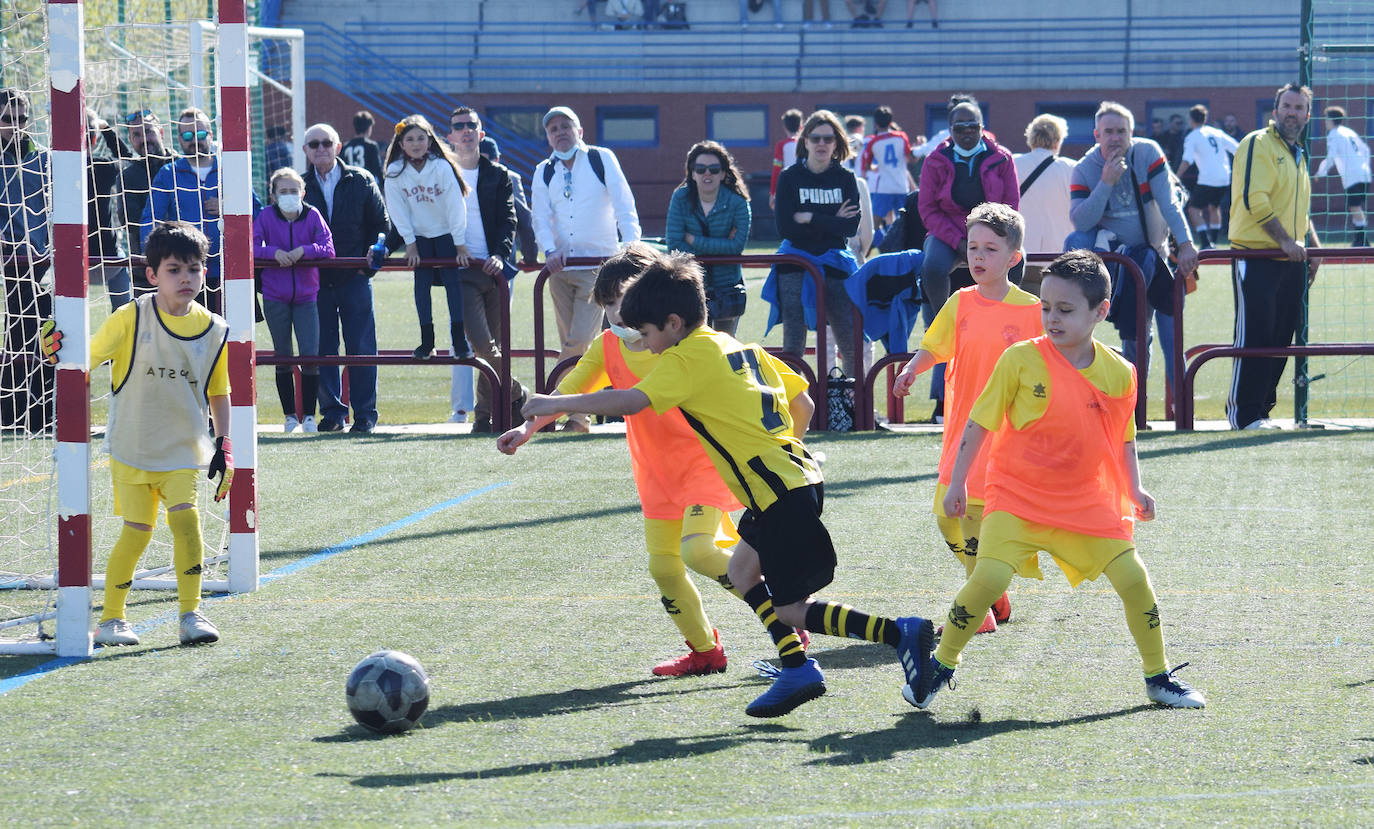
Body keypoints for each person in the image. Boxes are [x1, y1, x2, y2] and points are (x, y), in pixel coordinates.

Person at [519, 253, 938, 717]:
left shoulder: (684, 359)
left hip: (779, 493)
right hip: (783, 483)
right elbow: (801, 395)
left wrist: (547, 403)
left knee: (791, 608)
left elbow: (631, 400)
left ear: (674, 324)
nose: (647, 345)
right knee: (741, 574)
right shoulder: (730, 344)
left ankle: (901, 632)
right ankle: (798, 669)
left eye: (649, 334)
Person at [909, 249, 1206, 712]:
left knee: (1134, 579)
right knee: (987, 577)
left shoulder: (1120, 373)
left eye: (1065, 310)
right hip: (1017, 498)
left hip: (1086, 504)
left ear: (1100, 312)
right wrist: (957, 482)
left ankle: (1158, 677)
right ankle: (940, 667)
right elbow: (979, 424)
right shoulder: (1020, 360)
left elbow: (1123, 438)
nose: (1051, 318)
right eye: (1046, 308)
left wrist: (1135, 488)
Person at [499, 244, 746, 676]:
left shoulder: (683, 342)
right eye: (608, 303)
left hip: (707, 461)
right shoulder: (608, 345)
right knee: (664, 568)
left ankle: (782, 608)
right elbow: (571, 390)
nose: (615, 312)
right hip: (656, 473)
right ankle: (706, 652)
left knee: (700, 551)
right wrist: (527, 429)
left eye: (621, 299)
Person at [41, 221, 233, 648]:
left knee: (187, 520)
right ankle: (111, 619)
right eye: (173, 269)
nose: (185, 278)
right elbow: (82, 357)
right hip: (131, 447)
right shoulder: (131, 317)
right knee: (137, 531)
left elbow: (219, 391)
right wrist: (55, 348)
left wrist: (225, 443)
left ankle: (190, 613)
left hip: (183, 449)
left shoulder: (215, 330)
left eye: (194, 269)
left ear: (205, 272)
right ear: (152, 275)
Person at [892, 202, 1042, 633]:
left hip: (1005, 435)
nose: (978, 257)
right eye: (973, 247)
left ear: (1013, 259)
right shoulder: (961, 302)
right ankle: (992, 593)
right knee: (947, 515)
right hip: (962, 429)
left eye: (990, 249)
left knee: (978, 515)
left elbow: (1047, 369)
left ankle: (977, 611)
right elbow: (934, 345)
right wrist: (910, 369)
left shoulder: (1032, 310)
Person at [1068, 101, 1199, 390]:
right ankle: (1134, 406)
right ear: (1096, 135)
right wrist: (1105, 183)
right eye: (1109, 132)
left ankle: (1181, 404)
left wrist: (1187, 244)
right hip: (1120, 266)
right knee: (1136, 332)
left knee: (1170, 331)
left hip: (1156, 255)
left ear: (1131, 133)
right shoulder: (1085, 169)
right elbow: (1081, 223)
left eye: (1121, 131)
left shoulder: (1146, 152)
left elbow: (1169, 203)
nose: (1116, 138)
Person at [531, 105, 641, 433]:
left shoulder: (600, 158)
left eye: (567, 125)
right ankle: (578, 418)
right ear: (548, 137)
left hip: (600, 267)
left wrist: (632, 246)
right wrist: (548, 250)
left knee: (579, 341)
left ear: (580, 131)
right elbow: (540, 215)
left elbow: (624, 202)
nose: (560, 132)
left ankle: (554, 408)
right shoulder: (543, 170)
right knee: (571, 343)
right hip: (561, 269)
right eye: (553, 128)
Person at [1226, 83, 1323, 431]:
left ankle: (1262, 411)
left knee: (1281, 336)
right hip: (1257, 255)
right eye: (1287, 106)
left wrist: (1313, 246)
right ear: (1275, 109)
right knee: (1255, 335)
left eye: (1299, 108)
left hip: (1291, 261)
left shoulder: (1299, 153)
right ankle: (1244, 414)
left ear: (1308, 115)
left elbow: (1299, 210)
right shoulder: (1258, 143)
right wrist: (1284, 242)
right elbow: (1256, 200)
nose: (1292, 113)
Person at [764, 109, 864, 382]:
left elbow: (850, 227)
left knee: (849, 337)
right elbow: (786, 228)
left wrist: (810, 217)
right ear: (805, 141)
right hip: (795, 260)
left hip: (835, 260)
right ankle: (792, 405)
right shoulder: (789, 177)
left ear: (837, 144)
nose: (822, 144)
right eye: (816, 138)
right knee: (794, 339)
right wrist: (831, 221)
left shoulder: (845, 178)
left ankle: (855, 406)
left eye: (828, 139)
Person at [302, 122, 388, 434]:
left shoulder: (362, 180)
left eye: (327, 142)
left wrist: (374, 253)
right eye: (314, 144)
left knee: (362, 347)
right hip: (316, 280)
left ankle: (365, 415)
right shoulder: (297, 186)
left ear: (339, 147)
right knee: (323, 348)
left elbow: (383, 226)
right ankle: (333, 413)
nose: (321, 148)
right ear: (306, 151)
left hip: (354, 276)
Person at [447, 107, 528, 433]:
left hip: (495, 271)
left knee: (494, 345)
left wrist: (499, 254)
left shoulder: (498, 174)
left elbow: (509, 221)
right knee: (482, 346)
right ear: (450, 136)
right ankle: (521, 396)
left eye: (472, 126)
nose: (465, 130)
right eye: (459, 126)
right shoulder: (442, 174)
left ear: (480, 134)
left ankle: (484, 417)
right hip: (461, 271)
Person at [143, 107, 262, 315]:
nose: (194, 140)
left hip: (230, 271)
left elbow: (258, 214)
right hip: (186, 273)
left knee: (232, 340)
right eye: (187, 135)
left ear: (211, 135)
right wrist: (156, 257)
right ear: (179, 139)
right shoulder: (168, 173)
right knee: (186, 339)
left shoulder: (232, 170)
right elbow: (150, 219)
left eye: (200, 134)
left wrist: (229, 208)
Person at [918, 95, 1022, 314]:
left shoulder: (1002, 157)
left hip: (993, 230)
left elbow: (1010, 206)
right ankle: (942, 322)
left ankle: (1003, 316)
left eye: (973, 126)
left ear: (982, 127)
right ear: (950, 129)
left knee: (1017, 260)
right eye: (960, 127)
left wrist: (988, 236)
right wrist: (958, 242)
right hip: (948, 232)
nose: (967, 131)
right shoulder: (934, 160)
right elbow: (928, 210)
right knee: (933, 267)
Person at [383, 114, 473, 365]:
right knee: (421, 286)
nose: (415, 143)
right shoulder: (394, 172)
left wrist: (459, 242)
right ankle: (427, 341)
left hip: (444, 234)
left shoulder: (441, 167)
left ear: (430, 140)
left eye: (421, 138)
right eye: (409, 139)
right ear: (401, 144)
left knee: (453, 284)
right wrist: (410, 243)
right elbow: (397, 211)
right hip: (419, 237)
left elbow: (455, 206)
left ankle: (458, 339)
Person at [253, 167, 335, 433]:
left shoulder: (313, 215)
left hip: (306, 296)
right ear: (273, 195)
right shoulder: (265, 216)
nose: (289, 195)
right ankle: (290, 416)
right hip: (275, 296)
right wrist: (272, 252)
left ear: (302, 192)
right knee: (283, 356)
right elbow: (251, 247)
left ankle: (309, 416)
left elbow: (328, 248)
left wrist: (304, 251)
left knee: (310, 354)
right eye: (283, 191)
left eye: (293, 190)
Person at [0, 87, 52, 432]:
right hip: (10, 263)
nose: (16, 127)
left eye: (22, 119)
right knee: (17, 333)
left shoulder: (46, 158)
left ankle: (46, 412)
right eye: (8, 120)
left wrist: (48, 248)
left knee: (51, 334)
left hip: (47, 262)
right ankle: (12, 414)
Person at [665, 140, 752, 336]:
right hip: (688, 285)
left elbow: (736, 247)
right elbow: (675, 246)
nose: (707, 174)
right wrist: (721, 246)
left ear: (723, 173)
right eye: (700, 168)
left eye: (714, 169)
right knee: (691, 345)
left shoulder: (738, 203)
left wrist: (694, 240)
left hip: (727, 286)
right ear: (692, 172)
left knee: (725, 347)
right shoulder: (680, 198)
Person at [1013, 113, 1076, 294]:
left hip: (1021, 258)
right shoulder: (1071, 168)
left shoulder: (1012, 164)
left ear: (1031, 138)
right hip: (1061, 260)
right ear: (1058, 140)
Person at [85, 111, 133, 310]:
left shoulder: (52, 166)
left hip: (70, 259)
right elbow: (128, 157)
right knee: (126, 313)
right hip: (109, 258)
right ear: (95, 139)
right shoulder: (103, 166)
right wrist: (105, 128)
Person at [116, 109, 174, 270]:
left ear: (161, 132)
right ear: (130, 140)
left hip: (185, 262)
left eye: (148, 131)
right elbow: (130, 222)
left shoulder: (182, 166)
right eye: (136, 135)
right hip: (145, 268)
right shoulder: (128, 176)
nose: (144, 139)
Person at [1176, 104, 1240, 250]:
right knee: (1214, 207)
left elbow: (1187, 159)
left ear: (1191, 119)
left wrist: (1176, 176)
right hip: (1224, 178)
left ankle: (1205, 243)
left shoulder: (1192, 136)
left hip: (1208, 179)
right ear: (1205, 118)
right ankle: (1214, 242)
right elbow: (1236, 148)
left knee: (1193, 209)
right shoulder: (1216, 132)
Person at [1315, 105, 1372, 246]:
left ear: (1331, 119)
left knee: (1355, 206)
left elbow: (1331, 156)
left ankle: (1361, 239)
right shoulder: (1349, 131)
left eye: (1326, 119)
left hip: (1352, 175)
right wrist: (1364, 165)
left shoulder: (1334, 134)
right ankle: (1361, 239)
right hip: (1364, 173)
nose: (1325, 122)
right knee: (1356, 207)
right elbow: (1366, 149)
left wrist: (1320, 172)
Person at [480, 136, 538, 265]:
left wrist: (530, 256)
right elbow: (524, 219)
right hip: (492, 255)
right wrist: (531, 257)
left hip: (498, 255)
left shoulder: (507, 177)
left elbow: (522, 217)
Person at [861, 105, 917, 226]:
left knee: (874, 223)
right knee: (905, 221)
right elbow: (910, 159)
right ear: (891, 122)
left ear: (875, 123)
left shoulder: (873, 142)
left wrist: (876, 167)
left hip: (884, 187)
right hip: (901, 186)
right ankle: (905, 244)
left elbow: (867, 167)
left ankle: (871, 244)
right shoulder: (901, 137)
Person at [768, 108, 803, 211]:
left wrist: (773, 193)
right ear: (801, 126)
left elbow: (776, 170)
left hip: (787, 187)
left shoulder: (781, 145)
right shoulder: (806, 144)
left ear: (784, 127)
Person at [341, 110, 385, 183]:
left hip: (350, 185)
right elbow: (377, 169)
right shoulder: (371, 145)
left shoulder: (345, 146)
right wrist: (383, 185)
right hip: (366, 184)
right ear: (368, 128)